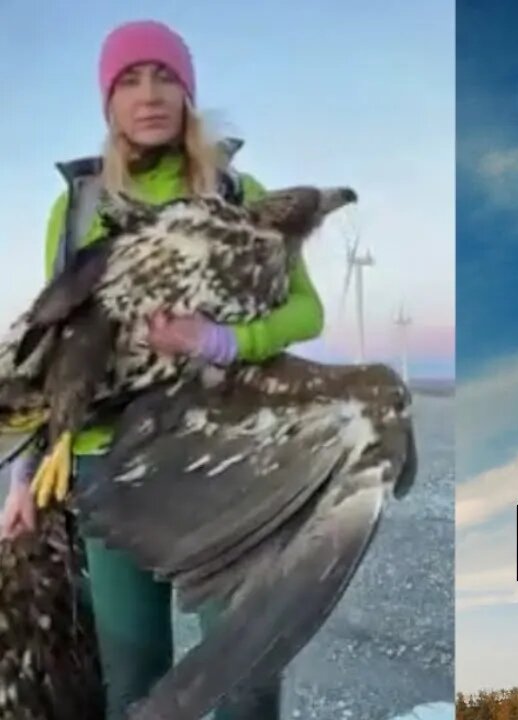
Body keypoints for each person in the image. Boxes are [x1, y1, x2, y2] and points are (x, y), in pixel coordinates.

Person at [0, 19, 324, 720]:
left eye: (164, 77)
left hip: (220, 454)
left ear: (188, 94)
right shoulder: (79, 203)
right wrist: (22, 478)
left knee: (247, 672)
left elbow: (308, 312)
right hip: (103, 462)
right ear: (108, 104)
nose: (149, 94)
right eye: (128, 81)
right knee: (136, 679)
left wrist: (220, 341)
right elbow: (50, 348)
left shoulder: (240, 192)